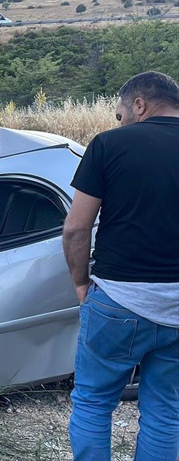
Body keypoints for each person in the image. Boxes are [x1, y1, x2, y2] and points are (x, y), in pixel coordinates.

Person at [63, 71, 179, 460]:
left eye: (120, 113)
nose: (120, 121)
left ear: (139, 104)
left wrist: (81, 284)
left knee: (94, 401)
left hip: (118, 298)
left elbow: (77, 230)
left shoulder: (109, 145)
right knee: (166, 411)